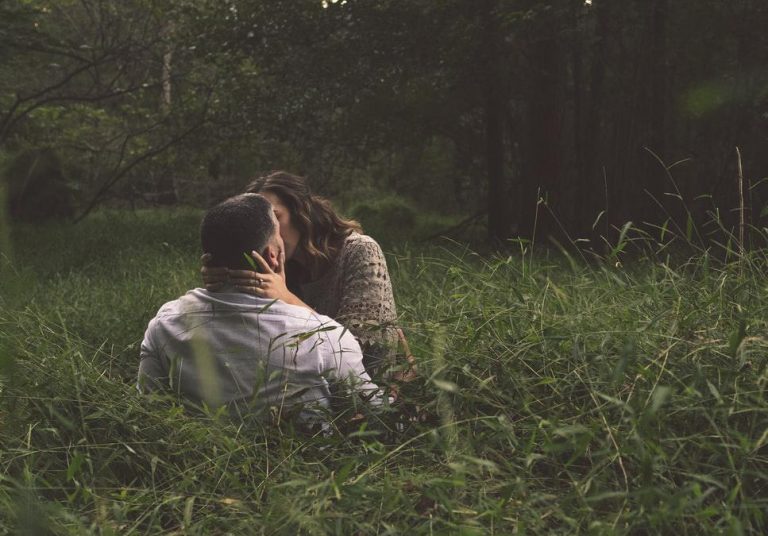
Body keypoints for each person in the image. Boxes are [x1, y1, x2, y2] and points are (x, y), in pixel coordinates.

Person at [138, 193, 382, 425]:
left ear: (208, 260)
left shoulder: (164, 325)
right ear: (272, 256)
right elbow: (377, 415)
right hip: (311, 465)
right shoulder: (325, 336)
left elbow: (149, 412)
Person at [202, 172, 410, 378]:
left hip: (370, 390)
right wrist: (221, 284)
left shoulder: (360, 251)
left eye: (275, 217)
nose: (268, 230)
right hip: (304, 387)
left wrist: (285, 298)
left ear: (301, 212)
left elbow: (358, 352)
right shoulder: (274, 263)